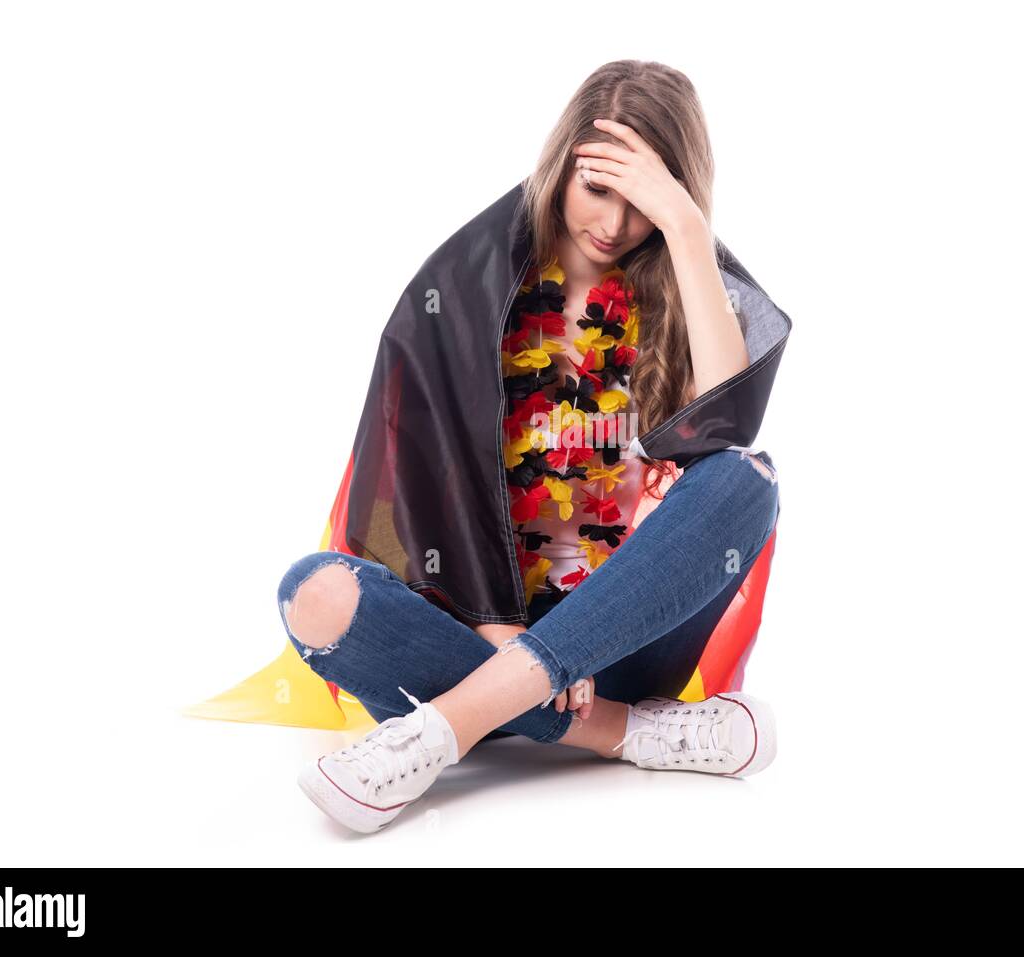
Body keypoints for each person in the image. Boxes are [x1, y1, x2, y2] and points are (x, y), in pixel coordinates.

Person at [277, 60, 789, 833]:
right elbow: (412, 484)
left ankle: (443, 729)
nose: (615, 225)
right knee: (312, 593)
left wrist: (686, 227)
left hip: (620, 640)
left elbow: (724, 426)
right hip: (470, 633)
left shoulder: (684, 296)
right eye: (597, 188)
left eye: (642, 201)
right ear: (558, 169)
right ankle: (621, 732)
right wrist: (491, 620)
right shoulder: (466, 282)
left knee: (748, 480)